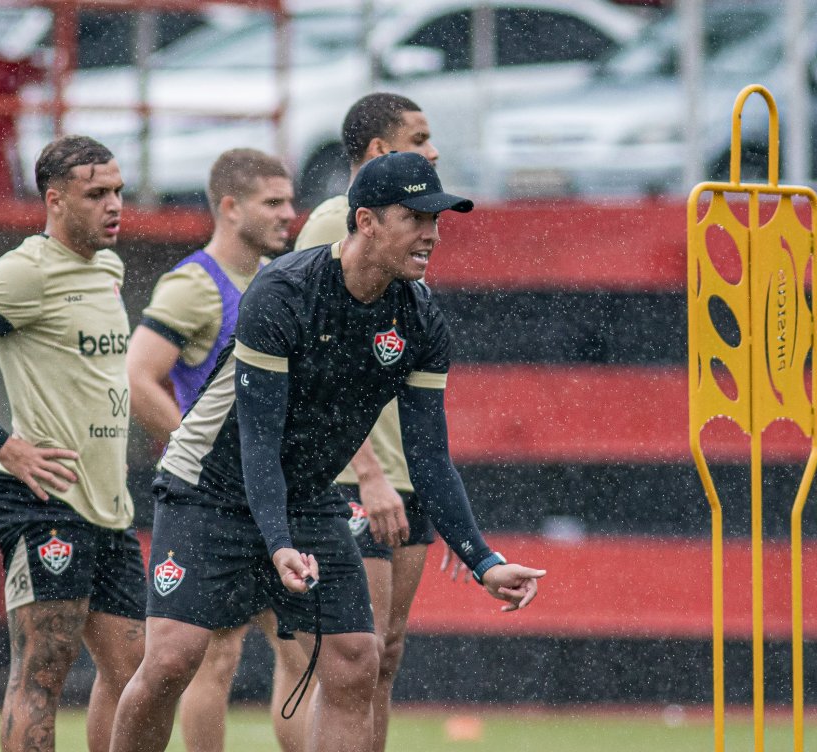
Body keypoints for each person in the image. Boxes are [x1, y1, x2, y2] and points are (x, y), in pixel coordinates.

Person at [110, 151, 545, 752]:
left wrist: (483, 559)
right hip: (207, 487)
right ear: (365, 221)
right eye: (415, 218)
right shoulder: (284, 290)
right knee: (172, 661)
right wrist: (279, 541)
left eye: (437, 219)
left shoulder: (419, 318)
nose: (432, 234)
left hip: (308, 497)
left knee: (356, 659)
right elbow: (259, 438)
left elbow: (428, 456)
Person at [0, 135, 145, 752]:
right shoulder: (27, 270)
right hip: (45, 500)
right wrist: (2, 443)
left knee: (138, 673)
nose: (114, 204)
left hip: (109, 505)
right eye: (97, 194)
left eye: (118, 190)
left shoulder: (109, 268)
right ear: (56, 200)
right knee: (43, 674)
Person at [125, 148, 306, 752]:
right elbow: (138, 377)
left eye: (290, 200)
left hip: (275, 492)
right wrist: (193, 449)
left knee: (302, 644)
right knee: (213, 655)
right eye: (273, 202)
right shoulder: (195, 285)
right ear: (230, 208)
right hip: (216, 503)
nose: (289, 214)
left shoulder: (276, 281)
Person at [292, 91, 441, 751]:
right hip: (356, 478)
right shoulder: (333, 224)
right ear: (380, 151)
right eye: (420, 136)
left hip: (404, 475)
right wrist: (368, 471)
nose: (434, 150)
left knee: (386, 656)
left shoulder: (412, 232)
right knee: (354, 659)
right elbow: (307, 368)